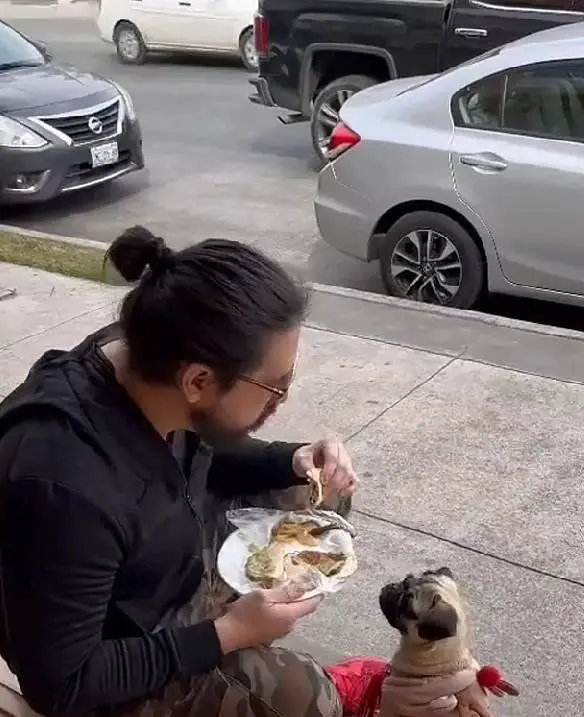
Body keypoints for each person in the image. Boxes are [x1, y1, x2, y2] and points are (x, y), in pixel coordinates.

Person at [0, 227, 357, 717]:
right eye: (274, 387)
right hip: (120, 642)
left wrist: (290, 459)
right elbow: (63, 685)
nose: (282, 399)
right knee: (304, 698)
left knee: (318, 494)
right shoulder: (65, 485)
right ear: (198, 380)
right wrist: (229, 634)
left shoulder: (150, 352)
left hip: (165, 554)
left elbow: (205, 445)